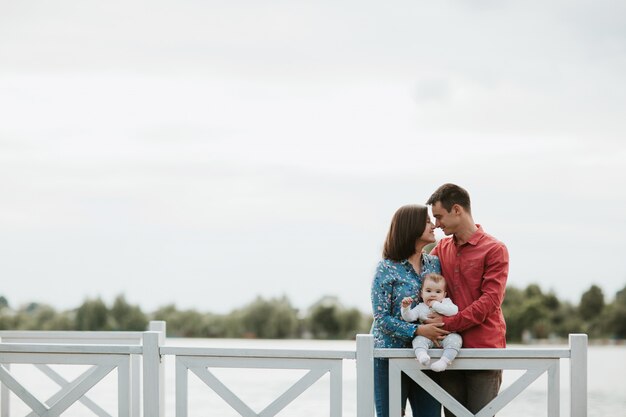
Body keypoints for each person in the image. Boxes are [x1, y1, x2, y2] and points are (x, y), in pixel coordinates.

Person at [425, 183, 509, 417]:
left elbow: (490, 301)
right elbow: (419, 280)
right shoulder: (441, 248)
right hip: (448, 352)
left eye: (439, 216)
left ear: (457, 210)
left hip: (484, 349)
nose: (437, 224)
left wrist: (446, 324)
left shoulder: (495, 249)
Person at [371, 204, 449, 417]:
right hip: (389, 356)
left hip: (427, 356)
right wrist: (417, 331)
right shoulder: (386, 268)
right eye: (426, 221)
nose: (433, 225)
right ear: (411, 227)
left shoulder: (434, 264)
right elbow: (381, 319)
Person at [401, 273, 463, 372]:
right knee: (417, 340)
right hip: (427, 337)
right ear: (422, 294)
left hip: (446, 336)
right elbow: (409, 318)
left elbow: (454, 311)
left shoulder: (446, 302)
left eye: (438, 292)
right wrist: (405, 308)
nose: (433, 294)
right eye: (428, 291)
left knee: (456, 339)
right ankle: (422, 356)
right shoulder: (420, 307)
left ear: (444, 294)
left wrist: (436, 305)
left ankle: (444, 361)